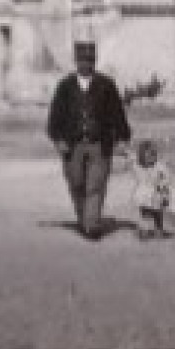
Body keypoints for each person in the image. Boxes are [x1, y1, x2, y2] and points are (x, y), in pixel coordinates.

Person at [47, 39, 132, 240]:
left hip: (99, 144)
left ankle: (92, 225)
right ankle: (84, 218)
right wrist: (58, 139)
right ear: (76, 61)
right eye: (82, 60)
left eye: (90, 60)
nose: (86, 64)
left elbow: (117, 114)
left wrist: (122, 137)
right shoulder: (65, 86)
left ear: (95, 61)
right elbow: (54, 118)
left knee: (95, 185)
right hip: (72, 145)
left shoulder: (106, 85)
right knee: (76, 183)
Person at [127, 139, 173, 239]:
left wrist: (126, 153)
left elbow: (131, 159)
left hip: (141, 195)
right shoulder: (159, 167)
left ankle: (145, 232)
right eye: (153, 154)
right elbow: (164, 182)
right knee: (157, 215)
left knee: (145, 215)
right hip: (154, 195)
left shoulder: (137, 166)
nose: (153, 158)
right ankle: (157, 231)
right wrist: (165, 195)